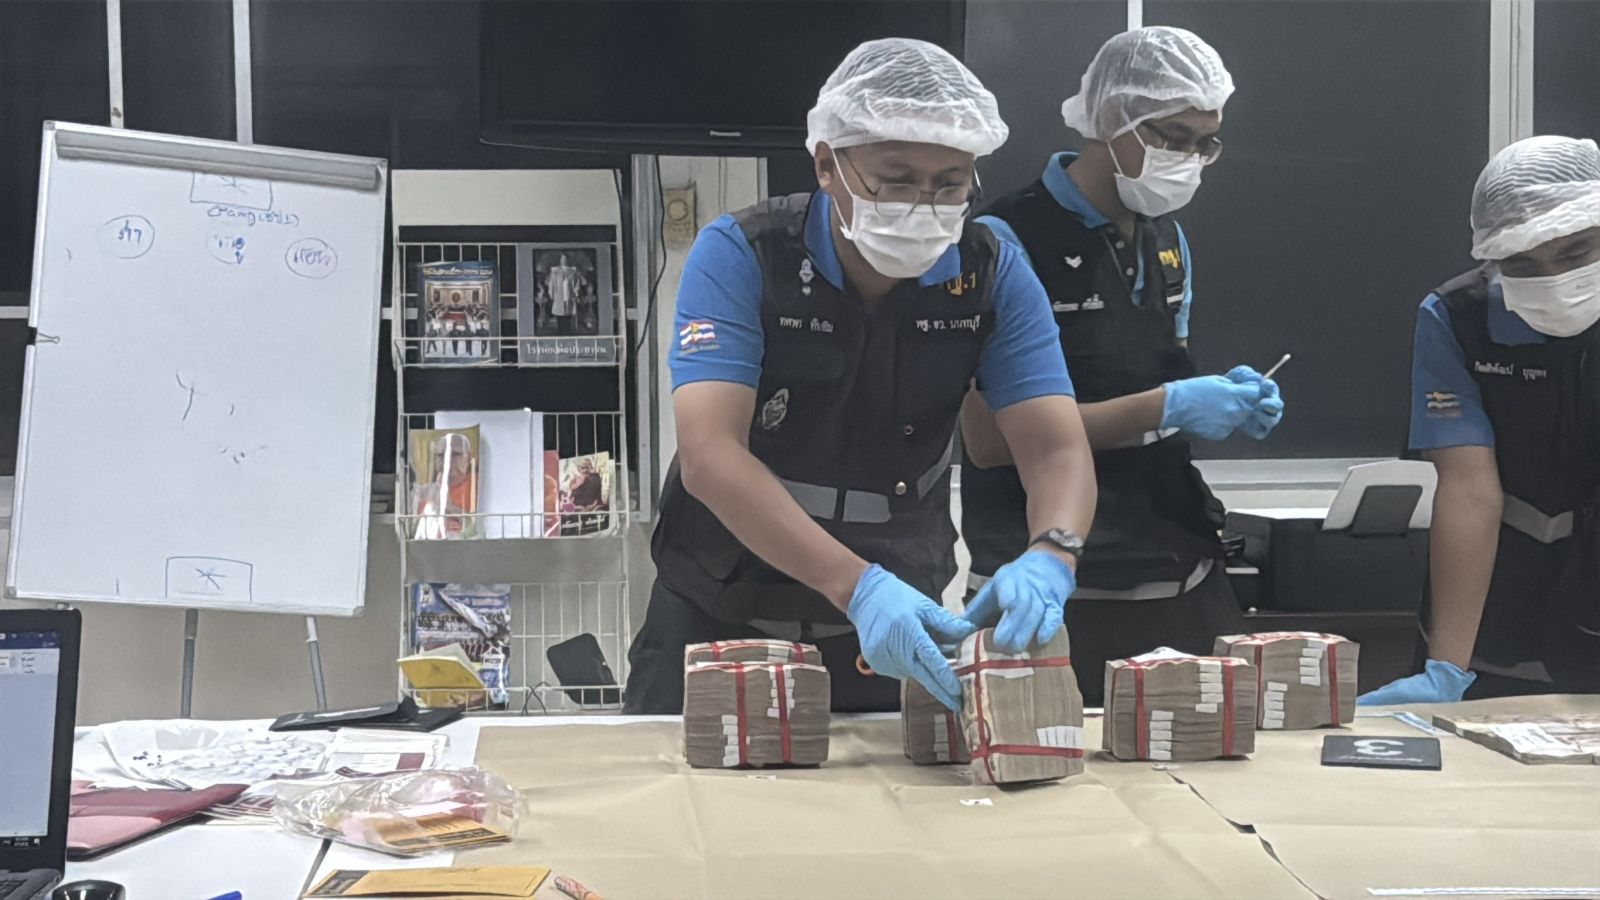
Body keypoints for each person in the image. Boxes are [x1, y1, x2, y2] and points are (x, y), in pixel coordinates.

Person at [624, 38, 1098, 715]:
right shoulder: (744, 255)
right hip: (718, 614)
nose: (923, 205)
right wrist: (857, 587)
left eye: (950, 184)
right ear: (827, 164)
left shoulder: (991, 273)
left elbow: (1054, 447)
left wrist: (1053, 552)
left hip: (892, 633)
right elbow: (710, 455)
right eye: (895, 181)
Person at [957, 27, 1285, 704]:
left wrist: (1224, 401)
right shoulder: (1002, 242)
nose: (1189, 159)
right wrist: (1167, 407)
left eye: (1205, 142)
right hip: (1050, 586)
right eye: (1173, 137)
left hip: (1181, 572)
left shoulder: (1167, 240)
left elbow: (1155, 371)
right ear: (1111, 119)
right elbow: (988, 441)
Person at [1361, 136, 1600, 705]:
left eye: (1575, 254)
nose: (1552, 279)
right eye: (1522, 264)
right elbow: (1469, 489)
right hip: (1494, 609)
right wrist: (1448, 668)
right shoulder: (1459, 318)